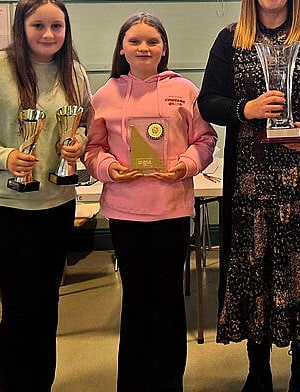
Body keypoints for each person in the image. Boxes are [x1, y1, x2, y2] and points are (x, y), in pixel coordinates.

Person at [198, 0, 300, 390]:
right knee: (255, 274)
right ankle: (258, 368)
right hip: (251, 187)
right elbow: (208, 101)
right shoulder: (230, 40)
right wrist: (246, 108)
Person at [0, 0, 90, 390]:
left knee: (47, 305)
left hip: (57, 205)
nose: (48, 35)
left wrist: (78, 145)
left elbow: (86, 123)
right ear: (20, 28)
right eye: (38, 25)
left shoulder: (73, 70)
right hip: (5, 208)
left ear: (66, 29)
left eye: (56, 26)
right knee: (20, 307)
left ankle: (41, 383)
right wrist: (4, 156)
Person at [84, 12, 217, 391]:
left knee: (169, 300)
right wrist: (110, 167)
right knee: (136, 301)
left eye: (152, 42)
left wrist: (186, 165)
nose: (144, 48)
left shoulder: (186, 91)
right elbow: (92, 149)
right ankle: (133, 382)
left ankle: (168, 382)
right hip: (125, 213)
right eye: (135, 41)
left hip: (172, 210)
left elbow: (205, 140)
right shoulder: (104, 95)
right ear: (122, 49)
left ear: (164, 49)